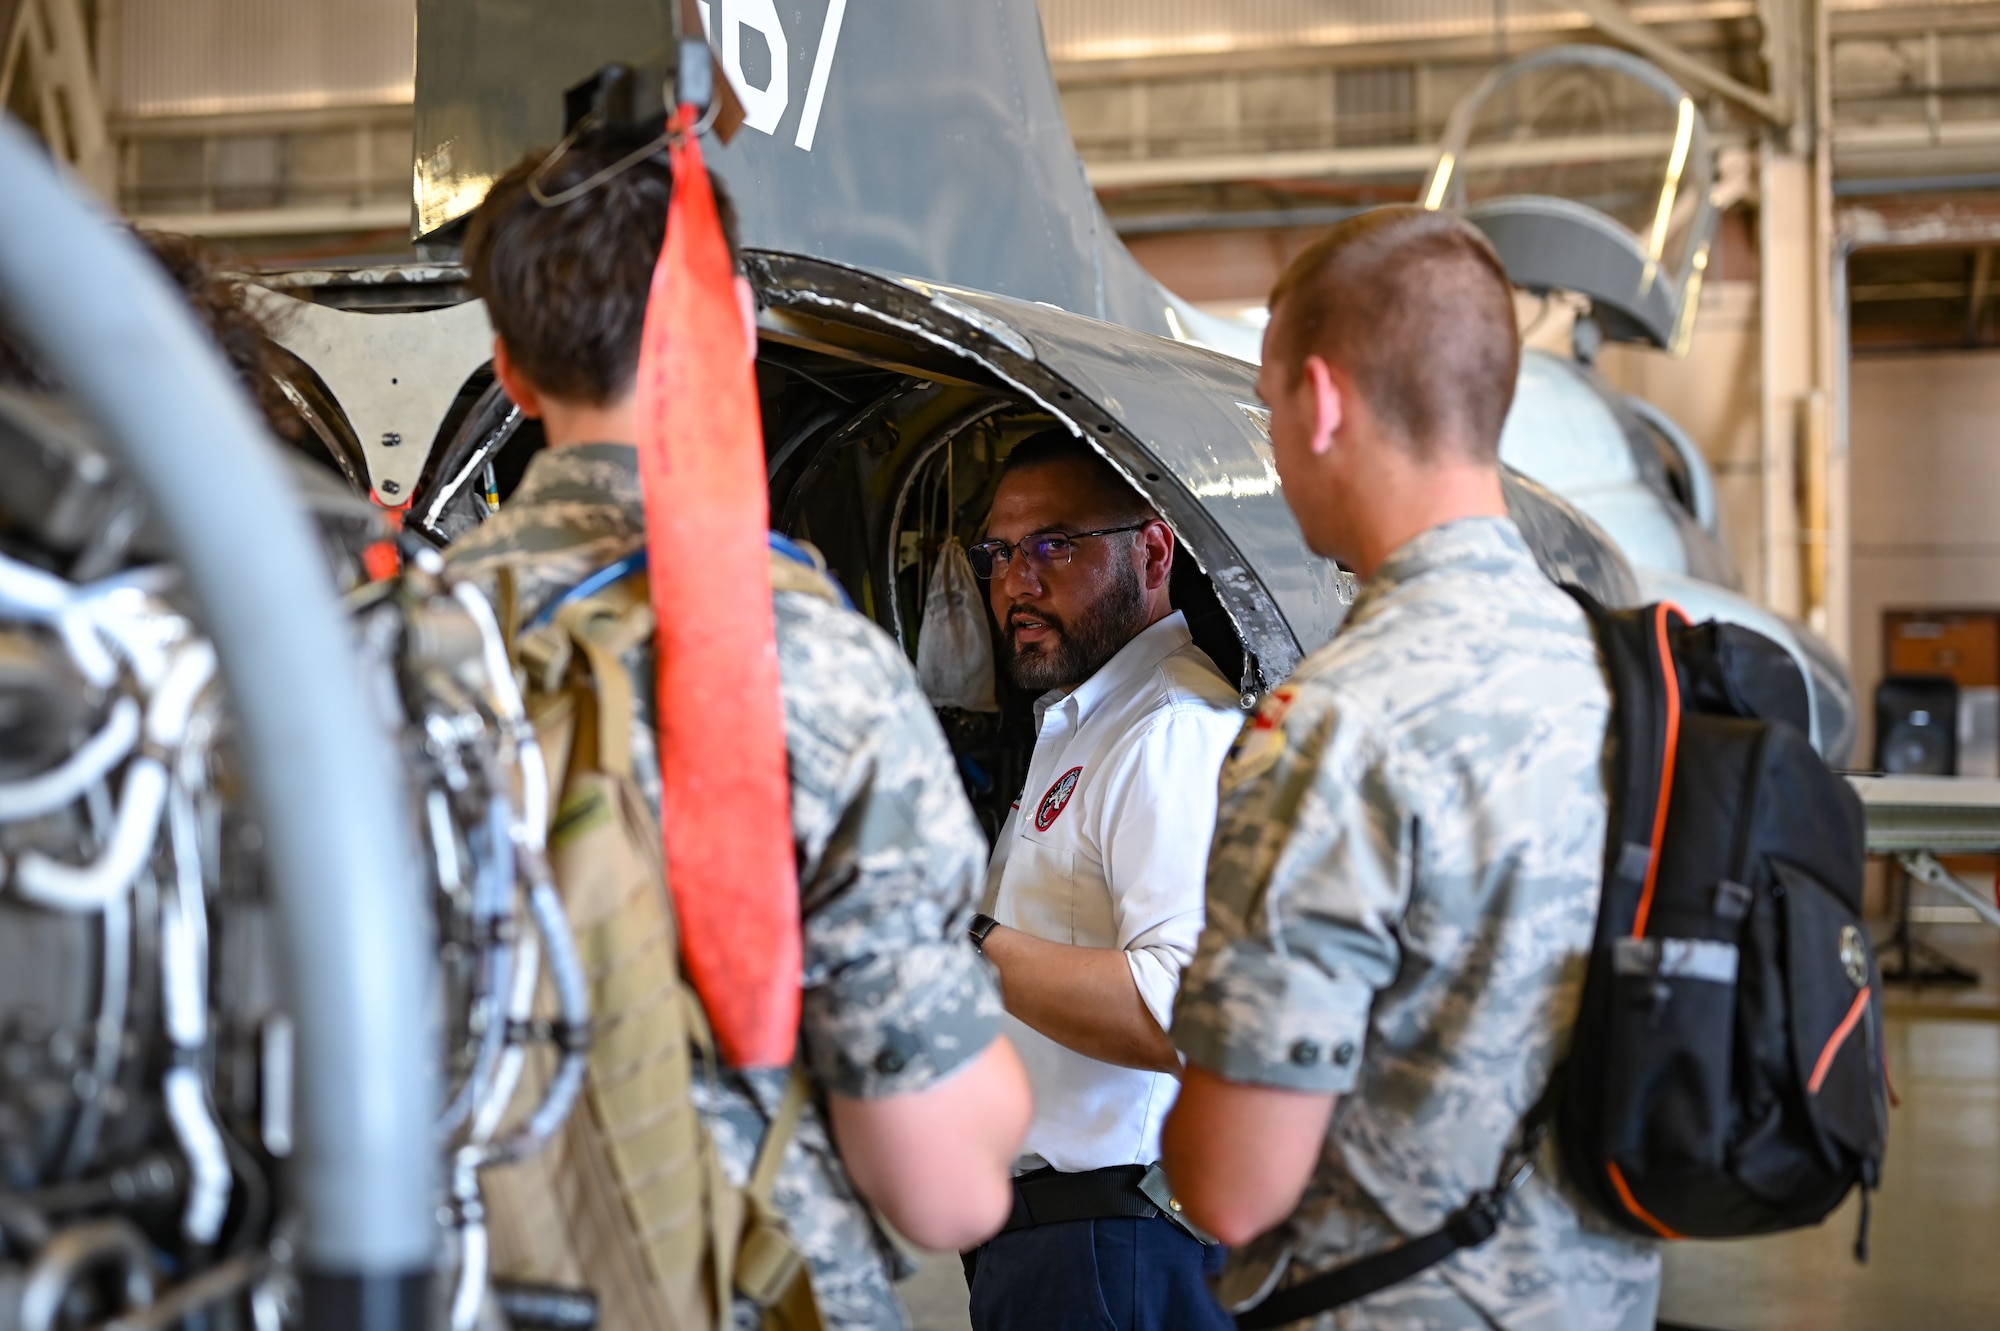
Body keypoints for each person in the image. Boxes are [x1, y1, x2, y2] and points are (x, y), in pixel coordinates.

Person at [449, 128, 1033, 1329]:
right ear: (732, 321)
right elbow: (943, 1189)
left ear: (508, 367)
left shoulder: (369, 651)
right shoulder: (811, 667)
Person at [1161, 206, 1662, 1329]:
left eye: (1268, 405)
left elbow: (1233, 1183)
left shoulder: (1334, 726)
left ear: (1322, 402)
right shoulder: (1630, 677)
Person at [960, 431, 1244, 1331]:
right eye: (1000, 553)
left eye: (1055, 544)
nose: (1017, 582)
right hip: (1059, 1242)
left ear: (1152, 551)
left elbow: (1180, 1008)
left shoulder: (1170, 729)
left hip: (1116, 1248)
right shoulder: (1092, 717)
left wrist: (956, 938)